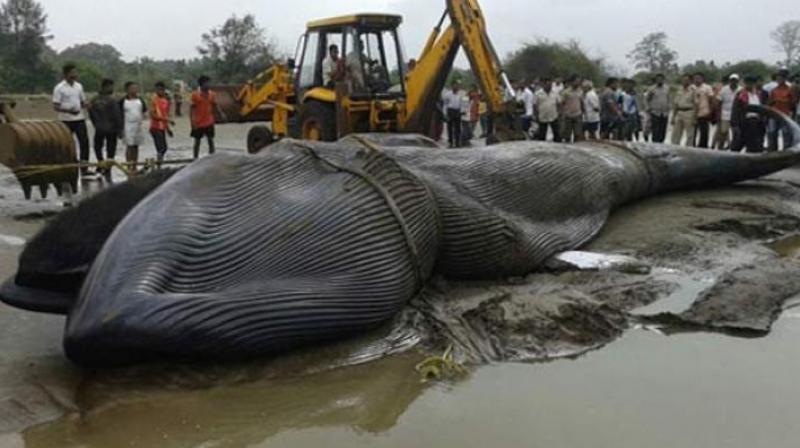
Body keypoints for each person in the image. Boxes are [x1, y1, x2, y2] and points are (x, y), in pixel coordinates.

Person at [52, 63, 91, 175]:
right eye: (72, 72)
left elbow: (83, 102)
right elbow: (56, 106)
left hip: (79, 119)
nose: (75, 74)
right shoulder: (59, 88)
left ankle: (84, 168)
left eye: (75, 72)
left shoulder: (79, 86)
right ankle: (66, 168)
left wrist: (87, 104)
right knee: (65, 144)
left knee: (84, 143)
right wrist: (69, 110)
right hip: (65, 120)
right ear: (66, 74)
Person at [88, 78, 122, 179]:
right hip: (111, 128)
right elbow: (117, 116)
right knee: (110, 149)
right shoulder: (112, 100)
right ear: (106, 87)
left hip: (99, 128)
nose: (112, 88)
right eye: (111, 86)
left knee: (98, 147)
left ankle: (100, 163)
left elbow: (91, 114)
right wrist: (120, 129)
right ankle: (107, 167)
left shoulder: (94, 100)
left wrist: (96, 124)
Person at [731, 75, 764, 153]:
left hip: (756, 122)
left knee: (755, 145)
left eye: (752, 83)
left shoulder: (759, 94)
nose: (750, 85)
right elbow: (735, 110)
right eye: (748, 83)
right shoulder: (741, 94)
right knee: (737, 145)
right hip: (745, 122)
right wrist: (735, 124)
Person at [191, 75, 221, 159]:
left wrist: (221, 113)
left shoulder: (212, 94)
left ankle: (212, 158)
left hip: (209, 121)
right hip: (198, 122)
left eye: (209, 83)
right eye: (207, 83)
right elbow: (192, 109)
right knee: (197, 142)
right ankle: (195, 158)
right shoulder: (195, 95)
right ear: (201, 84)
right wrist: (192, 122)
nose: (209, 85)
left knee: (211, 140)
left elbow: (215, 105)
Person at [119, 81, 147, 173]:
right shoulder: (122, 101)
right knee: (129, 146)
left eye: (136, 88)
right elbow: (118, 114)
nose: (135, 90)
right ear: (127, 90)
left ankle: (135, 165)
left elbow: (144, 111)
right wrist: (120, 129)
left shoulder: (140, 100)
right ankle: (129, 166)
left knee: (136, 146)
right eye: (132, 88)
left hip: (138, 126)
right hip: (127, 126)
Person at [767, 69, 796, 151]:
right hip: (774, 115)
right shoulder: (774, 90)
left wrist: (792, 117)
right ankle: (772, 152)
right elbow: (770, 103)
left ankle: (786, 152)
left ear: (785, 78)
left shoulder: (790, 89)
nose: (779, 79)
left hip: (785, 115)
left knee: (786, 134)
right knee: (772, 133)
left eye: (782, 77)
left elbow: (793, 104)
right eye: (778, 77)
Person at [150, 81, 174, 167]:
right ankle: (159, 165)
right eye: (158, 89)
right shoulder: (153, 100)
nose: (160, 91)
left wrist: (168, 129)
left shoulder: (166, 102)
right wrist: (167, 120)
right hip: (155, 127)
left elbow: (165, 115)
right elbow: (152, 114)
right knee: (161, 148)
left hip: (162, 127)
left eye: (161, 90)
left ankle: (159, 163)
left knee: (163, 148)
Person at [714, 74, 741, 150]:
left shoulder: (741, 90)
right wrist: (718, 115)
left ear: (737, 81)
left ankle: (734, 149)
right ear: (729, 81)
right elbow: (718, 103)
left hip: (736, 116)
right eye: (732, 80)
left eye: (735, 81)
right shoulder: (724, 89)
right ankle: (720, 149)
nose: (733, 82)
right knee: (723, 133)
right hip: (725, 115)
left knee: (735, 134)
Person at [671, 75, 697, 146]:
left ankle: (689, 150)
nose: (685, 81)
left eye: (686, 80)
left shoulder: (693, 90)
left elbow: (696, 104)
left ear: (690, 81)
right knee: (676, 133)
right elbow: (675, 104)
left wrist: (694, 117)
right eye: (683, 80)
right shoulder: (679, 90)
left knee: (690, 134)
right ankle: (675, 147)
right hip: (679, 112)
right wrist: (673, 116)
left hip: (689, 112)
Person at [534, 78, 561, 142]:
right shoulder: (538, 93)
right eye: (547, 84)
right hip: (542, 116)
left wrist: (559, 113)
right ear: (543, 84)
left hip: (553, 116)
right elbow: (535, 105)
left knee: (556, 134)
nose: (549, 86)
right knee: (542, 135)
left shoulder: (555, 92)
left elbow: (559, 103)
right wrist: (536, 115)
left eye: (550, 84)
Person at [645, 74, 670, 143]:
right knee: (655, 132)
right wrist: (648, 108)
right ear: (656, 80)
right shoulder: (651, 89)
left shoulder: (667, 88)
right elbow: (647, 99)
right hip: (655, 113)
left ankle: (661, 145)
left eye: (661, 79)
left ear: (663, 80)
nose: (660, 80)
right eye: (658, 79)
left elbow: (668, 99)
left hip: (664, 113)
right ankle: (655, 146)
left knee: (663, 132)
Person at [692, 72, 714, 148]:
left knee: (704, 133)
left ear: (702, 79)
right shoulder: (692, 87)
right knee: (692, 133)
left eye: (699, 78)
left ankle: (703, 147)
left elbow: (711, 100)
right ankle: (692, 146)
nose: (697, 80)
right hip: (693, 114)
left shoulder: (707, 87)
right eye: (695, 78)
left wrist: (710, 111)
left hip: (704, 113)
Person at [560, 75, 584, 143]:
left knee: (578, 134)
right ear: (571, 82)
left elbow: (582, 102)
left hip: (578, 115)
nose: (578, 83)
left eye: (579, 81)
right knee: (567, 135)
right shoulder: (566, 92)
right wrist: (562, 114)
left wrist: (583, 112)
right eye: (576, 81)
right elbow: (562, 103)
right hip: (568, 115)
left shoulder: (580, 91)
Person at [442, 80, 465, 148]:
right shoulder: (447, 94)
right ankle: (450, 142)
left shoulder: (461, 94)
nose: (456, 87)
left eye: (457, 85)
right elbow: (445, 105)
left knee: (458, 128)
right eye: (454, 85)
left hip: (458, 111)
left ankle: (457, 142)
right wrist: (445, 113)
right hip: (450, 111)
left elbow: (463, 104)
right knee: (450, 127)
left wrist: (463, 111)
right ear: (452, 86)